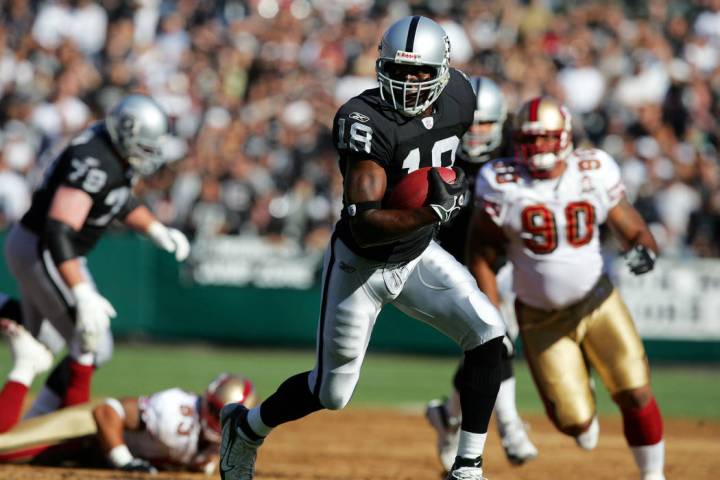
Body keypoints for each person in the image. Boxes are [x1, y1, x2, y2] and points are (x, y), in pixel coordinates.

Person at [219, 16, 506, 480]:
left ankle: (467, 466)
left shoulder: (460, 95)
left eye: (419, 71)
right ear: (380, 67)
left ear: (444, 70)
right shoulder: (363, 119)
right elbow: (367, 225)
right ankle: (246, 428)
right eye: (398, 70)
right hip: (362, 265)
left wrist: (449, 193)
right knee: (330, 393)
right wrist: (432, 211)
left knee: (490, 335)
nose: (408, 83)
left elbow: (457, 159)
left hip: (416, 255)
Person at [468, 96, 665, 480]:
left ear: (565, 137)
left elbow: (632, 227)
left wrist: (644, 248)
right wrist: (493, 319)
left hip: (597, 301)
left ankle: (653, 475)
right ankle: (580, 382)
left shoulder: (593, 170)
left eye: (545, 137)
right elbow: (480, 255)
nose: (537, 146)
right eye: (529, 138)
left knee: (636, 391)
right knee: (575, 423)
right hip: (541, 318)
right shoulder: (501, 182)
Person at [0, 94, 191, 433]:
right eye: (145, 146)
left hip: (47, 248)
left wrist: (155, 229)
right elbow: (58, 230)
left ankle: (31, 427)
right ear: (127, 133)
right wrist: (82, 292)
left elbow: (117, 198)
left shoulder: (112, 150)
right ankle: (42, 430)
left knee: (44, 341)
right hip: (45, 249)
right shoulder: (95, 159)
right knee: (93, 342)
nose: (150, 154)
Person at [426, 77, 538, 471]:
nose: (474, 132)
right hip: (450, 261)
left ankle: (450, 417)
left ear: (500, 122)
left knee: (491, 343)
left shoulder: (514, 153)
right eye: (469, 123)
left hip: (501, 261)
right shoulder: (436, 146)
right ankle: (508, 426)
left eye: (484, 123)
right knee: (493, 338)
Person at [0, 372, 257, 475]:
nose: (220, 421)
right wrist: (123, 460)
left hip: (94, 454)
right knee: (6, 449)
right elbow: (106, 411)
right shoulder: (173, 412)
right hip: (87, 432)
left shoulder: (218, 441)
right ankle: (28, 366)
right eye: (217, 411)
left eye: (228, 417)